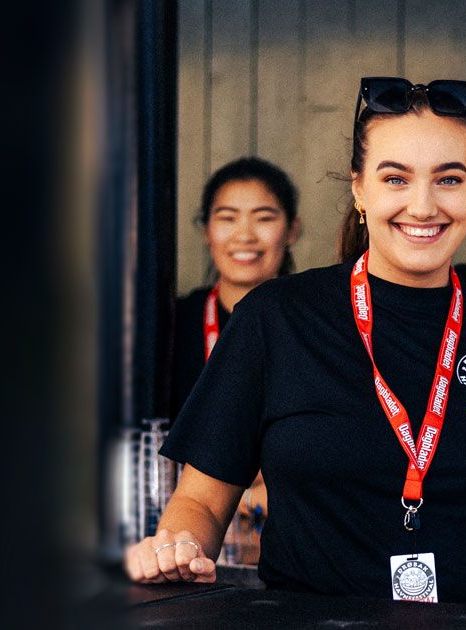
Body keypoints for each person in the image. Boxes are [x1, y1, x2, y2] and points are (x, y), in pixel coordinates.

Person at [126, 77, 466, 608]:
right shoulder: (276, 321)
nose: (423, 204)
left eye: (448, 179)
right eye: (396, 179)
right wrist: (178, 547)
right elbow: (200, 502)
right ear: (359, 188)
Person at [170, 157, 301, 564]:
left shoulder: (320, 326)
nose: (245, 235)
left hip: (289, 546)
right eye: (227, 218)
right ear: (207, 230)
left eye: (264, 217)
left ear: (292, 230)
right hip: (188, 532)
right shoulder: (171, 325)